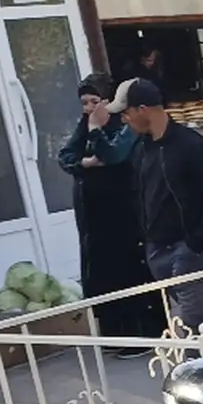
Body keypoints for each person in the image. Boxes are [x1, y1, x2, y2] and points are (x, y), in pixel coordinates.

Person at [114, 77, 203, 333]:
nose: (124, 119)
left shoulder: (193, 146)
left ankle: (194, 373)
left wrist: (197, 243)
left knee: (192, 328)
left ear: (142, 109)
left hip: (190, 250)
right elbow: (140, 197)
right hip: (159, 251)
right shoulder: (141, 151)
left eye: (126, 113)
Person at [56, 75, 152, 328]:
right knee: (101, 273)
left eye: (94, 101)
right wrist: (82, 163)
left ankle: (138, 332)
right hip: (92, 215)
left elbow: (113, 155)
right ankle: (113, 331)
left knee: (126, 271)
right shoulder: (85, 125)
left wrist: (97, 132)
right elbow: (66, 155)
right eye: (84, 103)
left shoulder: (124, 125)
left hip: (121, 210)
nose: (88, 108)